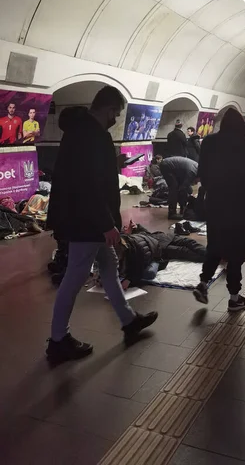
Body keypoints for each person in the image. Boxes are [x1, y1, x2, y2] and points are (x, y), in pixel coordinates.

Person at [46, 86, 158, 364]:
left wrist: (111, 163)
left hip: (82, 217)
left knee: (107, 266)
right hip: (86, 220)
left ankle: (128, 320)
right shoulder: (92, 136)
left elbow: (90, 174)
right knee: (74, 278)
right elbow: (88, 187)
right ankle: (58, 340)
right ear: (108, 109)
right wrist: (107, 224)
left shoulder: (80, 132)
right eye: (116, 114)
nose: (114, 119)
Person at [193, 108, 245, 312]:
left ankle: (203, 283)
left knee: (215, 244)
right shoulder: (242, 144)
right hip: (237, 205)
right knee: (237, 250)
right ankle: (234, 298)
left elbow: (202, 174)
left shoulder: (208, 142)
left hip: (215, 203)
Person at [159, 156, 198, 220]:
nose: (196, 183)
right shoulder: (192, 172)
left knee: (183, 188)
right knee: (174, 188)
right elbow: (183, 188)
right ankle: (172, 213)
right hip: (167, 166)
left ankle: (183, 209)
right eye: (197, 181)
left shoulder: (196, 169)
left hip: (174, 167)